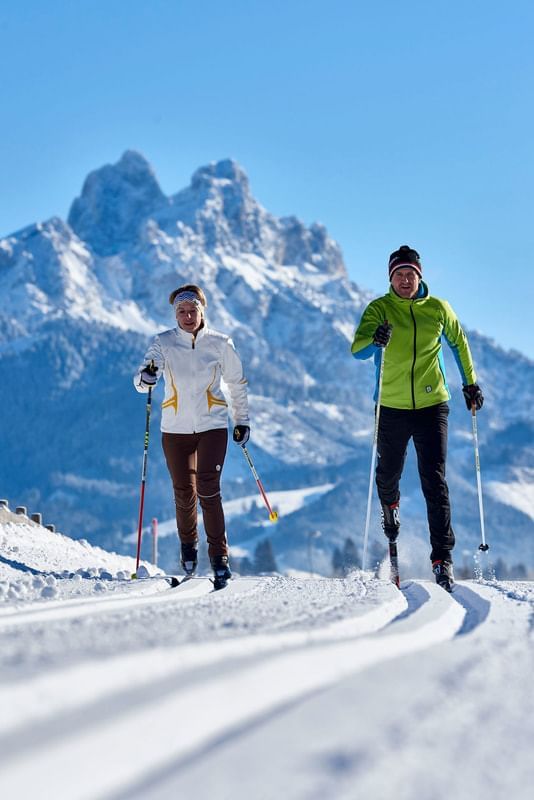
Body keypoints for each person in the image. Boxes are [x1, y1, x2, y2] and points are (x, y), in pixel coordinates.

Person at [351, 245, 483, 591]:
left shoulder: (439, 308)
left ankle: (442, 558)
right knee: (387, 474)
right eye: (399, 275)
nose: (405, 280)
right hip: (391, 405)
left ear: (419, 277)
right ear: (390, 279)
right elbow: (357, 350)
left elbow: (459, 342)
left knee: (434, 480)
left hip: (432, 405)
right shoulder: (379, 309)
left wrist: (470, 383)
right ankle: (390, 508)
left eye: (411, 274)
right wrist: (374, 339)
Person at [134, 284, 250, 588]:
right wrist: (144, 378)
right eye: (181, 312)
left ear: (202, 310)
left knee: (209, 490)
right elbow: (144, 377)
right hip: (175, 429)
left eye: (192, 310)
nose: (187, 316)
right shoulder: (163, 343)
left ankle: (220, 559)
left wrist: (242, 421)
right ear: (175, 314)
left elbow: (237, 384)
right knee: (184, 492)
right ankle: (188, 547)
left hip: (212, 426)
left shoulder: (220, 343)